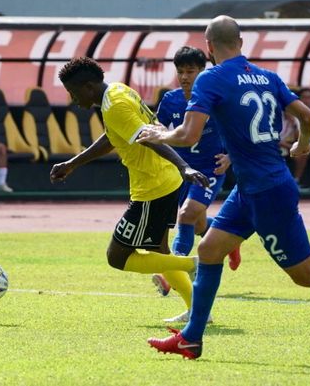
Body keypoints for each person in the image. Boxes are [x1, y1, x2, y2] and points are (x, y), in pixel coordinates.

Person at [140, 16, 310, 360]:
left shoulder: (212, 77)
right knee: (209, 250)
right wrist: (303, 144)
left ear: (209, 47)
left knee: (307, 275)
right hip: (256, 186)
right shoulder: (268, 77)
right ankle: (191, 338)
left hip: (266, 191)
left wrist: (157, 135)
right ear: (241, 42)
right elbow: (308, 118)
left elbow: (188, 134)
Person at [51, 57, 211, 308]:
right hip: (161, 179)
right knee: (159, 252)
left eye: (73, 92)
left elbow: (147, 138)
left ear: (89, 87)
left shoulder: (114, 105)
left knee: (117, 256)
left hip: (153, 186)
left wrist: (185, 166)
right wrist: (73, 164)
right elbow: (113, 137)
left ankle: (193, 264)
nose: (73, 99)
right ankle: (197, 311)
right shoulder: (117, 91)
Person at [151, 46, 241, 324]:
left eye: (191, 71)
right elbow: (158, 130)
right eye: (181, 72)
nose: (185, 77)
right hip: (181, 171)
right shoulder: (171, 100)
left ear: (204, 71)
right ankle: (227, 240)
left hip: (209, 169)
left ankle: (174, 269)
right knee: (198, 223)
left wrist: (231, 156)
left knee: (186, 215)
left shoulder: (218, 99)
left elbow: (239, 131)